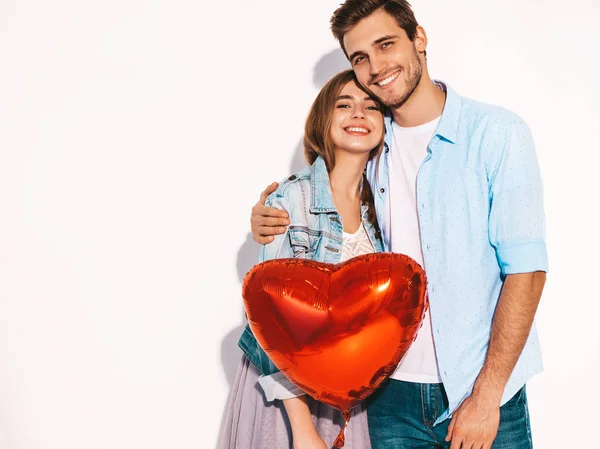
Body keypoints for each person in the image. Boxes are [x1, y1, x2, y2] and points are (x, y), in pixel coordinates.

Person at [250, 1, 548, 448]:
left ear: (419, 39)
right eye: (359, 57)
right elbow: (320, 206)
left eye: (385, 44)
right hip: (386, 399)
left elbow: (526, 271)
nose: (374, 67)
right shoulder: (369, 143)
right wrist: (272, 212)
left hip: (483, 392)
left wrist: (487, 396)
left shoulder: (496, 134)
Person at [219, 69, 386, 449]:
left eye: (371, 106)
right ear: (323, 120)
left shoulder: (380, 212)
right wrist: (303, 428)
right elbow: (268, 323)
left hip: (346, 399)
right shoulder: (291, 201)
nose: (358, 113)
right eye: (344, 104)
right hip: (288, 396)